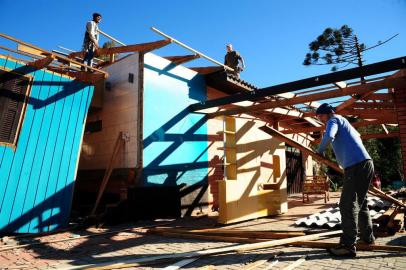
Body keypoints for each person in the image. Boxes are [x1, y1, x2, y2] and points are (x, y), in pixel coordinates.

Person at [316, 103, 375, 257]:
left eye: (321, 116)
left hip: (355, 166)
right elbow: (358, 137)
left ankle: (348, 246)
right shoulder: (344, 122)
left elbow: (329, 135)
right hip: (365, 163)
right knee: (360, 204)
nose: (321, 120)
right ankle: (367, 239)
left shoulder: (333, 120)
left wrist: (320, 151)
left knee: (347, 205)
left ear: (328, 113)